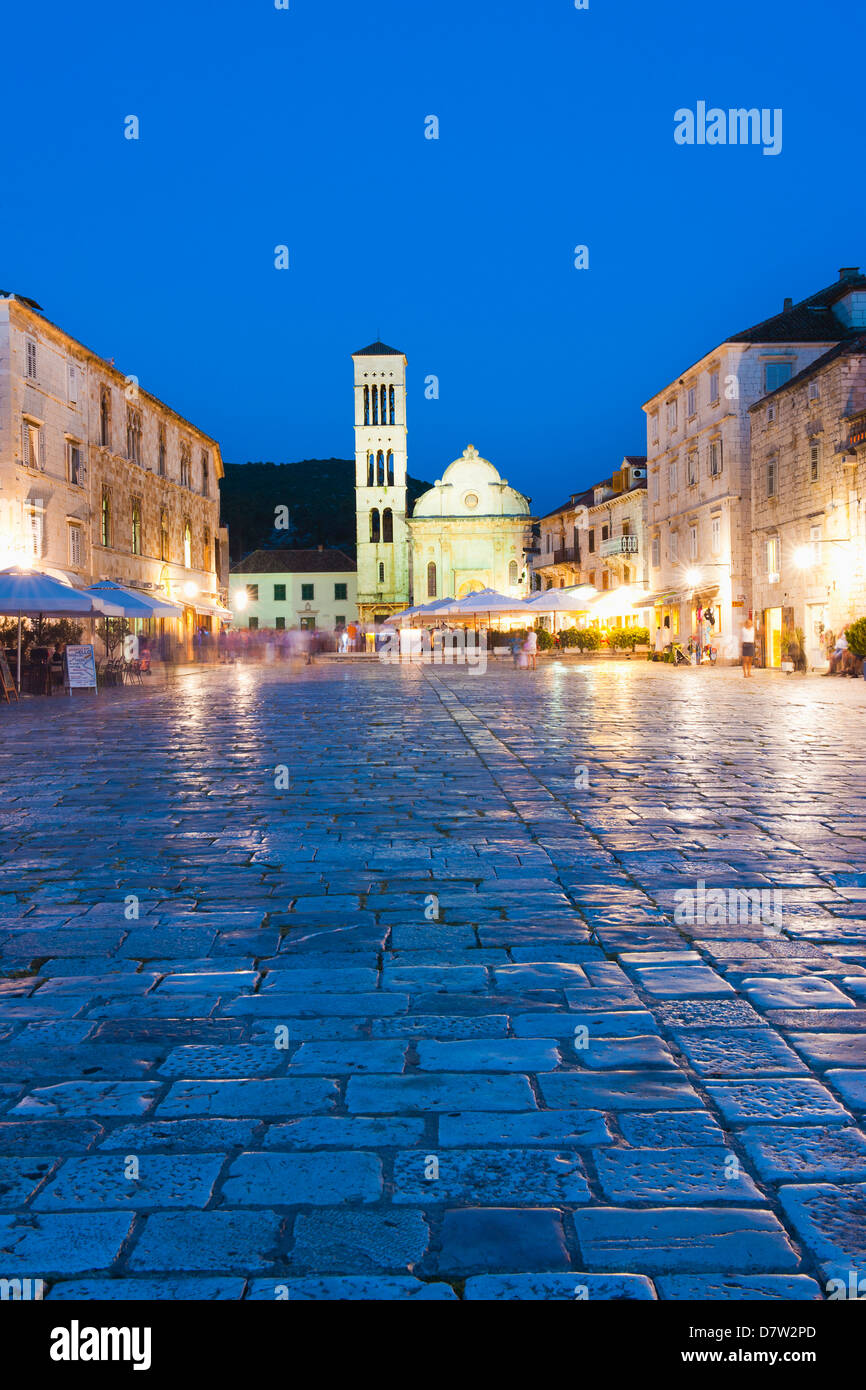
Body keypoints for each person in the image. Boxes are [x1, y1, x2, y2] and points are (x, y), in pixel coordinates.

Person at [741, 612, 756, 678]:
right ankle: (745, 673)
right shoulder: (743, 629)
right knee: (745, 660)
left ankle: (749, 672)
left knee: (750, 660)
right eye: (749, 623)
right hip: (746, 644)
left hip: (751, 644)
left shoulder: (752, 629)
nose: (751, 624)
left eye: (751, 623)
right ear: (746, 624)